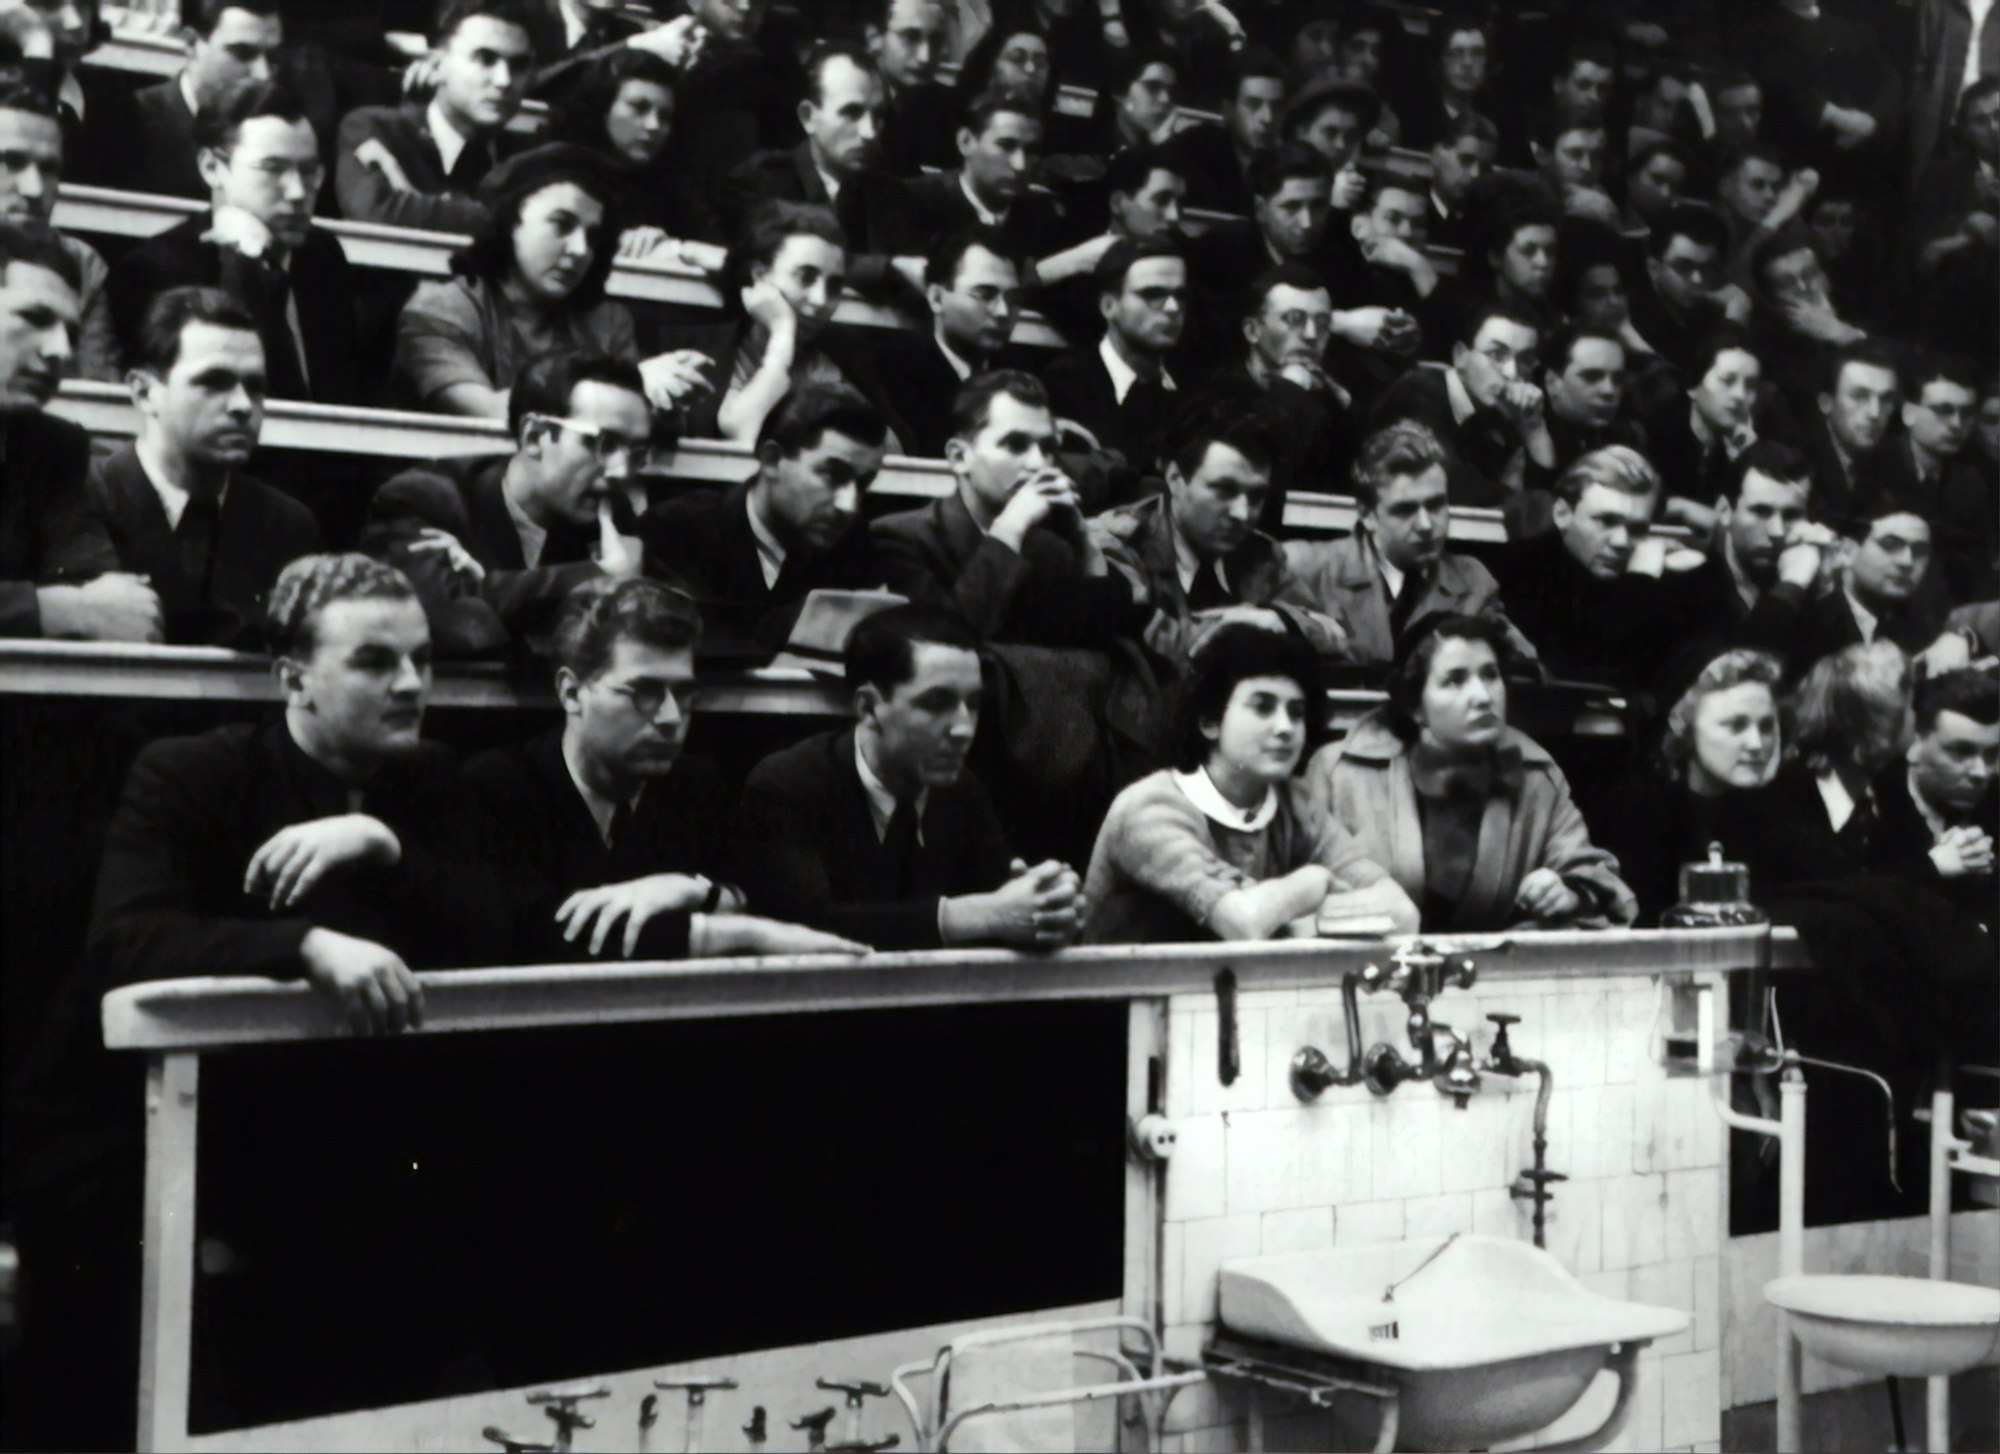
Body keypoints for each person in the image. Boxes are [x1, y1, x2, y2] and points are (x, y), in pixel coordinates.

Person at [86, 552, 515, 1028]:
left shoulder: (431, 772)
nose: (412, 685)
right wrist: (304, 946)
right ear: (294, 680)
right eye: (374, 663)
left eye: (423, 659)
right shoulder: (193, 772)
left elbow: (494, 932)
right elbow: (124, 941)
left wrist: (384, 845)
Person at [466, 577, 868, 959]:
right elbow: (539, 936)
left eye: (684, 693)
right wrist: (738, 932)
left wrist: (689, 891)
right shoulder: (498, 787)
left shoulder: (694, 785)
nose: (672, 717)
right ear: (572, 692)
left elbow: (769, 898)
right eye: (644, 692)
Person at [732, 603, 1084, 951]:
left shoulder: (964, 790)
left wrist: (1046, 905)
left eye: (973, 703)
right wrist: (968, 915)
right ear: (868, 707)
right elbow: (805, 929)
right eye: (935, 703)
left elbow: (1004, 907)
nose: (964, 728)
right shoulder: (786, 785)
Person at [1081, 622, 1418, 944]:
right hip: (1119, 999)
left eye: (1297, 712)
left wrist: (1297, 918)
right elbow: (1244, 921)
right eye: (1263, 707)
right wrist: (1315, 882)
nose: (1285, 727)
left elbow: (1402, 914)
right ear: (1211, 722)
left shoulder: (1296, 808)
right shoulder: (1151, 808)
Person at [1308, 612, 1635, 931]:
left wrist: (1570, 894)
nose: (1482, 697)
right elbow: (1299, 884)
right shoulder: (1339, 771)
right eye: (1455, 680)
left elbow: (1597, 878)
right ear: (1415, 705)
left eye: (1491, 675)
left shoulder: (1536, 775)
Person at [362, 351, 652, 654]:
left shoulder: (611, 516)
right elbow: (453, 626)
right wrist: (599, 576)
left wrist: (485, 589)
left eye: (637, 452)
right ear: (535, 436)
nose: (622, 470)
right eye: (605, 443)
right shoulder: (422, 499)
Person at [393, 142, 704, 420]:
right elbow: (486, 410)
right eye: (561, 224)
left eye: (593, 236)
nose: (581, 250)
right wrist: (631, 383)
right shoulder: (441, 308)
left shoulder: (607, 322)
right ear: (510, 223)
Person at [87, 287, 320, 647]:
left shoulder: (288, 524)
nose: (243, 405)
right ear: (144, 392)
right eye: (214, 382)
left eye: (256, 387)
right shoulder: (85, 498)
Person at [108, 78, 361, 403]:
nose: (298, 192)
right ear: (212, 168)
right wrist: (245, 264)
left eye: (310, 171)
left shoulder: (323, 255)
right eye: (273, 169)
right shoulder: (158, 269)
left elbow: (342, 394)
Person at [638, 382, 889, 654]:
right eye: (833, 475)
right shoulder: (679, 528)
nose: (849, 505)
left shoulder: (853, 546)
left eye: (863, 484)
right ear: (771, 459)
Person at [0, 220, 161, 641]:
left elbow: (109, 600)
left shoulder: (54, 447)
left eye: (71, 332)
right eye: (34, 318)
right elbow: (83, 607)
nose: (61, 351)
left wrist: (83, 607)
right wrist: (48, 609)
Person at [1089, 411, 1342, 668]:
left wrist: (1279, 619)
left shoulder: (1261, 554)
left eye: (1256, 496)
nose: (1242, 514)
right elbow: (1148, 642)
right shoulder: (1115, 542)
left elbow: (1336, 634)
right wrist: (1249, 629)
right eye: (1224, 490)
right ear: (1176, 479)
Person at [1281, 421, 1532, 668]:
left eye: (1435, 505)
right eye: (1405, 510)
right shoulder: (1305, 568)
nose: (1425, 525)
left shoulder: (1475, 582)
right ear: (1367, 514)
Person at [1596, 647, 1787, 920]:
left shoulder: (1779, 814)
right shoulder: (1638, 816)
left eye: (1766, 726)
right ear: (1687, 727)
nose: (1756, 744)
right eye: (1736, 725)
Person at [720, 44, 917, 300]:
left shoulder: (893, 197)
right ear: (808, 117)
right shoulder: (760, 181)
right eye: (852, 113)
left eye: (878, 115)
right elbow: (768, 261)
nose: (870, 132)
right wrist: (891, 270)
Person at [334, 0, 536, 232]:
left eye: (519, 66)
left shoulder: (528, 158)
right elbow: (376, 212)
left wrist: (420, 203)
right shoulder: (374, 129)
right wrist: (503, 221)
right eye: (485, 59)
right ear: (437, 64)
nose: (505, 80)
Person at [1491, 445, 1682, 691]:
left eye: (1637, 530)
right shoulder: (1518, 571)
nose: (1622, 541)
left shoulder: (1652, 581)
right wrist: (1640, 582)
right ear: (1562, 514)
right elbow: (1578, 674)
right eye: (1607, 521)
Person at [1194, 262, 1359, 526]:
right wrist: (1289, 391)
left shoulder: (1333, 401)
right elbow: (1266, 483)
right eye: (1294, 319)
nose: (1311, 334)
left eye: (1322, 323)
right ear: (1252, 330)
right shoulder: (1218, 396)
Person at [1672, 440, 1840, 673]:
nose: (1777, 532)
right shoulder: (1684, 588)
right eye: (1761, 511)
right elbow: (1732, 675)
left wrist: (1827, 592)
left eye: (1792, 515)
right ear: (1724, 512)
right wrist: (1790, 587)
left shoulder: (1807, 585)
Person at [1373, 300, 1555, 508]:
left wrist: (1534, 429)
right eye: (1497, 355)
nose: (1511, 373)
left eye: (1524, 359)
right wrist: (1512, 495)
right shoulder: (1417, 394)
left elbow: (1544, 507)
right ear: (1460, 356)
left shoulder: (1502, 414)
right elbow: (1449, 485)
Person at [551, 47, 725, 260]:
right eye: (639, 108)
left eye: (665, 116)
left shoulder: (672, 189)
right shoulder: (557, 175)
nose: (654, 126)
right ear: (603, 109)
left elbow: (723, 255)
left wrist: (677, 248)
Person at [1039, 237, 1186, 480]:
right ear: (1108, 305)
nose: (1172, 308)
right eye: (1152, 294)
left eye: (1180, 296)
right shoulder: (1065, 382)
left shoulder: (1189, 393)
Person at [0, 79, 115, 380]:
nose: (34, 189)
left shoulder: (80, 263)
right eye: (10, 162)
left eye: (49, 169)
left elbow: (94, 390)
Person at [869, 230, 1021, 456]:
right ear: (936, 298)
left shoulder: (1024, 374)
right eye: (985, 294)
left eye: (1014, 299)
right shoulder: (892, 372)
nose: (1002, 311)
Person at [1873, 667, 1998, 926]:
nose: (1981, 772)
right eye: (1961, 752)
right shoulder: (1874, 802)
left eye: (1992, 755)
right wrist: (1931, 868)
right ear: (1916, 742)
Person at [129, 0, 285, 200]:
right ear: (190, 43)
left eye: (273, 58)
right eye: (243, 53)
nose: (263, 74)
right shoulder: (133, 121)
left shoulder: (283, 134)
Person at [898, 89, 1068, 270]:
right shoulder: (914, 202)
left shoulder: (1041, 214)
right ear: (966, 142)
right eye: (1006, 146)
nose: (1020, 165)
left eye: (1031, 151)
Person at [1876, 354, 1995, 602]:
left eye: (1966, 413)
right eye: (1943, 410)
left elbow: (1976, 570)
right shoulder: (1875, 468)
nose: (1956, 423)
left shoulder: (1971, 482)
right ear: (1908, 412)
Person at [1643, 327, 1777, 532]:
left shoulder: (1749, 444)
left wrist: (1745, 462)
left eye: (1750, 386)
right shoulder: (1654, 434)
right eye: (1727, 381)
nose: (1740, 396)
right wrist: (1682, 507)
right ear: (1693, 386)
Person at [1796, 496, 1953, 667]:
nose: (1907, 562)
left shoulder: (1922, 625)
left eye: (1920, 551)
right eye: (1890, 545)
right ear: (1846, 551)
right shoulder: (1808, 622)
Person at [1162, 45, 1284, 218]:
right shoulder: (1192, 153)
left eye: (1276, 107)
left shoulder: (1285, 163)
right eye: (1254, 105)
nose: (1268, 118)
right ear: (1228, 109)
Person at [1627, 203, 1741, 378]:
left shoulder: (1709, 309)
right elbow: (1703, 380)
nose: (1698, 279)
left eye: (1708, 268)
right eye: (1683, 267)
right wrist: (1734, 321)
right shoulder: (1640, 320)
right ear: (1653, 268)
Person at [1800, 340, 1900, 525]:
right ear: (1826, 403)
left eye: (1886, 399)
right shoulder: (1798, 461)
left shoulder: (1897, 466)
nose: (1875, 413)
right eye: (1860, 396)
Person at [869, 0, 958, 177]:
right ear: (875, 38)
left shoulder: (951, 107)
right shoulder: (852, 102)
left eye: (936, 40)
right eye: (911, 37)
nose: (925, 57)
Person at [1426, 111, 1500, 252]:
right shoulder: (1411, 207)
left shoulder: (1487, 226)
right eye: (1466, 160)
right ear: (1437, 154)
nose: (1475, 174)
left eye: (1484, 167)